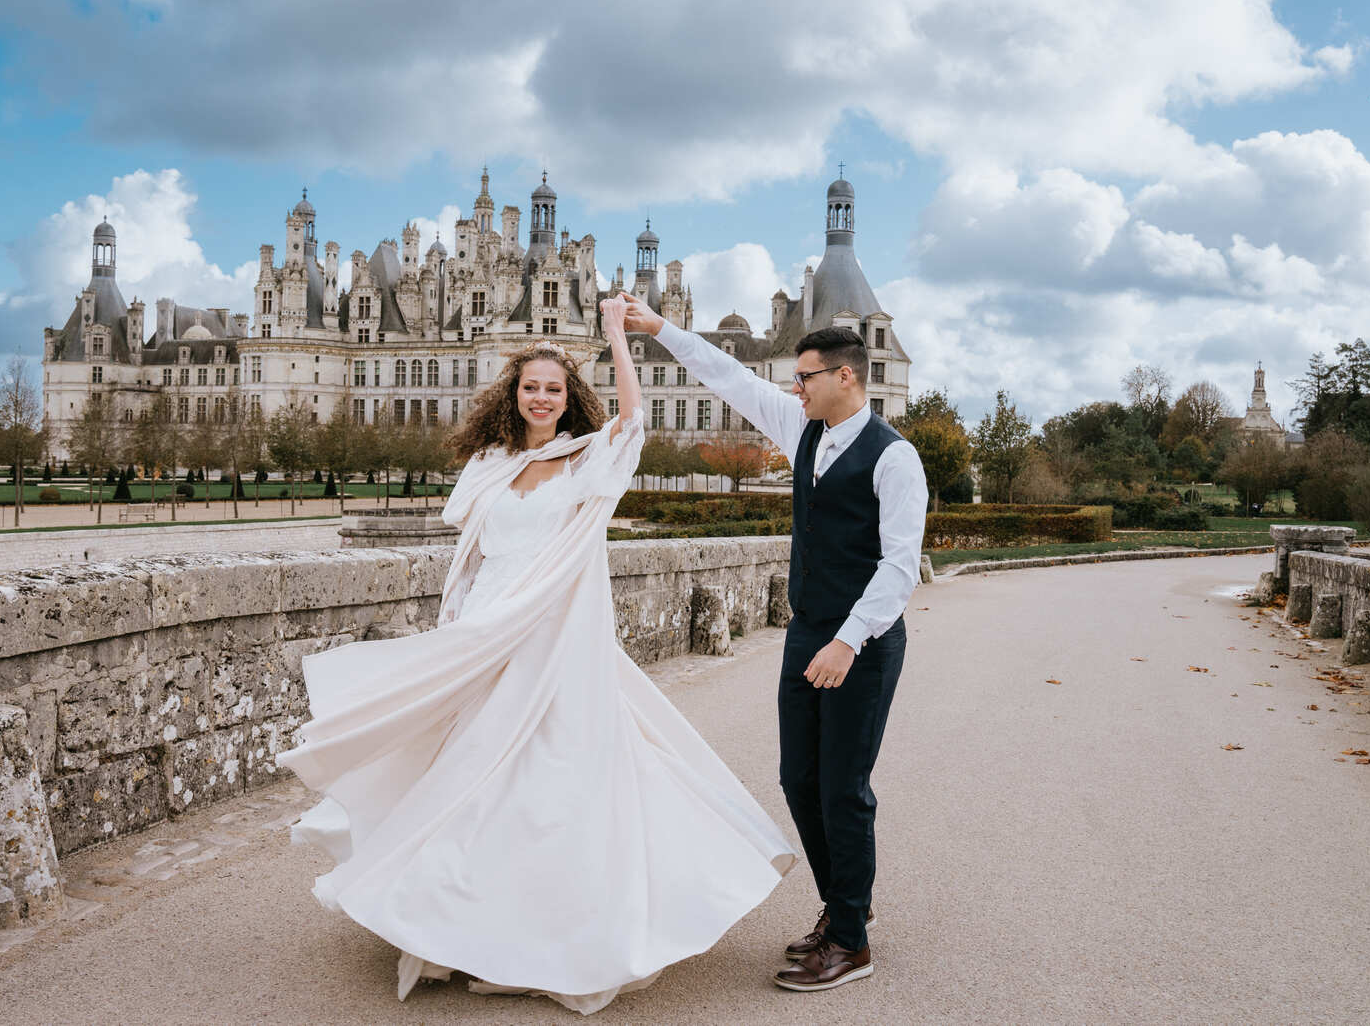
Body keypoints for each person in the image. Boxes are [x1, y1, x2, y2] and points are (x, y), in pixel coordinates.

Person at [279, 299, 794, 1015]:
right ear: (511, 394)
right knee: (472, 768)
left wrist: (617, 335)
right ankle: (468, 925)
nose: (542, 398)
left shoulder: (584, 455)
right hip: (487, 623)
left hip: (550, 625)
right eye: (531, 387)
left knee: (544, 771)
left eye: (554, 388)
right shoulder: (492, 462)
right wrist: (457, 618)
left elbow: (635, 423)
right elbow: (473, 549)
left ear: (569, 398)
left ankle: (539, 936)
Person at [620, 292, 927, 993]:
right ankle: (845, 901)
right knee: (798, 779)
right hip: (808, 633)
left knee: (844, 788)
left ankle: (851, 939)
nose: (796, 386)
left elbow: (899, 566)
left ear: (846, 376)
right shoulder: (803, 427)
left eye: (807, 375)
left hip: (863, 642)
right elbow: (730, 378)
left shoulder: (895, 458)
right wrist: (659, 327)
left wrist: (847, 642)